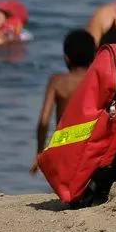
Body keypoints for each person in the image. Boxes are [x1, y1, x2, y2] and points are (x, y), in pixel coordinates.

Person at [28, 29, 97, 175]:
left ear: (66, 58)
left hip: (64, 149)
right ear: (94, 56)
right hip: (92, 150)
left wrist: (39, 152)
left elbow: (44, 121)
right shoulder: (98, 80)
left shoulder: (57, 81)